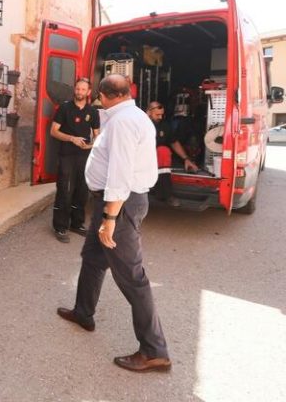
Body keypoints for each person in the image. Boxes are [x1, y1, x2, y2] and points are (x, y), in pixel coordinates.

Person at [56, 74, 171, 373]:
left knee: (133, 277)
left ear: (105, 95)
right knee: (93, 258)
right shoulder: (132, 115)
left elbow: (121, 173)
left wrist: (109, 218)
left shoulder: (122, 122)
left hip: (119, 205)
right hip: (113, 203)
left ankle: (154, 350)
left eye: (98, 96)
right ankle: (83, 312)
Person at [50, 78, 100, 242]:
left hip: (84, 156)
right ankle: (60, 227)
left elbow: (97, 135)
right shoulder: (64, 108)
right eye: (78, 89)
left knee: (82, 191)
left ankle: (77, 224)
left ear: (88, 92)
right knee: (64, 190)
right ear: (75, 89)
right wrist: (72, 138)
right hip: (66, 155)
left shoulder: (93, 112)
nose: (79, 92)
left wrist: (90, 146)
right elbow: (54, 131)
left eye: (83, 89)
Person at [146, 101, 198, 207]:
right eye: (157, 115)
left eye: (162, 115)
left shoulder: (163, 125)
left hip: (156, 157)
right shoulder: (140, 123)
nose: (160, 117)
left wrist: (186, 159)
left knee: (163, 151)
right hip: (140, 156)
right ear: (148, 112)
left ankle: (165, 194)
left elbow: (173, 142)